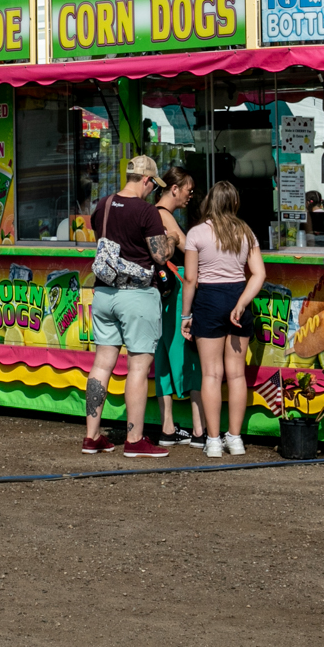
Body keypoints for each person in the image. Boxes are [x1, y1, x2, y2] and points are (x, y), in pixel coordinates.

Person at [81, 156, 173, 458]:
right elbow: (160, 256)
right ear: (146, 180)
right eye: (152, 185)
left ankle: (92, 436)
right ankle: (135, 439)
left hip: (104, 293)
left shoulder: (104, 204)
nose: (151, 191)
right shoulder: (146, 211)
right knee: (137, 366)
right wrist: (170, 238)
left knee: (101, 364)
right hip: (136, 296)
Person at [182, 181, 268, 458]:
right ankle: (236, 439)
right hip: (237, 296)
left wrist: (186, 315)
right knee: (236, 374)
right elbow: (259, 274)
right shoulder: (246, 232)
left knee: (211, 374)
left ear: (210, 202)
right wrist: (242, 303)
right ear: (234, 203)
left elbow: (191, 279)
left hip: (208, 300)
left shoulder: (196, 233)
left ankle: (214, 440)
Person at [153, 167, 202, 448]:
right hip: (175, 292)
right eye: (188, 190)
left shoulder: (154, 213)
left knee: (162, 357)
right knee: (187, 354)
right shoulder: (164, 215)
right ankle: (198, 430)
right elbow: (190, 248)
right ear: (174, 189)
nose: (190, 195)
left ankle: (168, 428)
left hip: (161, 292)